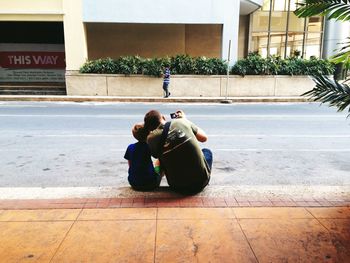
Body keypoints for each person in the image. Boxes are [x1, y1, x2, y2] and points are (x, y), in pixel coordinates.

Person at [144, 110, 212, 194]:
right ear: (163, 117)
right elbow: (204, 138)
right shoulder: (180, 122)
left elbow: (156, 156)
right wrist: (185, 119)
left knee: (161, 158)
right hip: (201, 183)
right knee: (206, 151)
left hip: (177, 187)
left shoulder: (150, 139)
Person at [124, 123, 162, 191]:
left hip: (133, 183)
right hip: (150, 184)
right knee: (159, 162)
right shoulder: (148, 146)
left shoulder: (130, 147)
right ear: (149, 134)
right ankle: (157, 183)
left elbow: (130, 164)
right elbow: (157, 155)